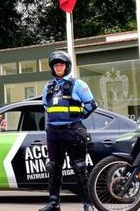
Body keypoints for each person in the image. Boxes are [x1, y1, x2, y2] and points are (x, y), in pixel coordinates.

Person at [39, 51, 97, 211]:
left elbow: (92, 104)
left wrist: (78, 116)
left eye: (61, 64)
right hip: (53, 132)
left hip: (73, 130)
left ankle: (88, 203)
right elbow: (46, 107)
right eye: (56, 65)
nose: (58, 67)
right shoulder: (48, 86)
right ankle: (54, 203)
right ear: (52, 67)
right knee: (53, 167)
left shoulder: (78, 84)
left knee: (79, 167)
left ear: (66, 66)